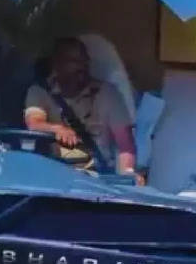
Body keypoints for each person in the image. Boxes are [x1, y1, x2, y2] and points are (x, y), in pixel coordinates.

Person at [22, 37, 136, 176]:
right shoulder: (40, 92)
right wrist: (57, 129)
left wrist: (128, 175)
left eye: (84, 61)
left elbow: (125, 143)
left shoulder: (107, 93)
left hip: (96, 177)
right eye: (73, 61)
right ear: (57, 65)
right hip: (53, 174)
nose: (81, 67)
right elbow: (34, 123)